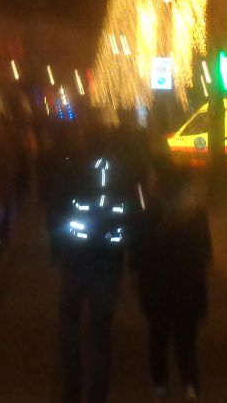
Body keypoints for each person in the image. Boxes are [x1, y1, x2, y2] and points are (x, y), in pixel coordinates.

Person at [54, 142, 133, 403]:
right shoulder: (122, 174)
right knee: (100, 332)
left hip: (76, 258)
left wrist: (59, 249)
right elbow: (131, 216)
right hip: (107, 262)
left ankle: (72, 386)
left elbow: (59, 209)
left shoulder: (72, 169)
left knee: (71, 326)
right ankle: (97, 393)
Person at [134, 167, 212, 402]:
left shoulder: (149, 214)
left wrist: (139, 285)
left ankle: (161, 385)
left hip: (157, 288)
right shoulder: (196, 215)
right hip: (188, 287)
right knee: (186, 340)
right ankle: (190, 385)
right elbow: (206, 254)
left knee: (158, 337)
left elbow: (139, 256)